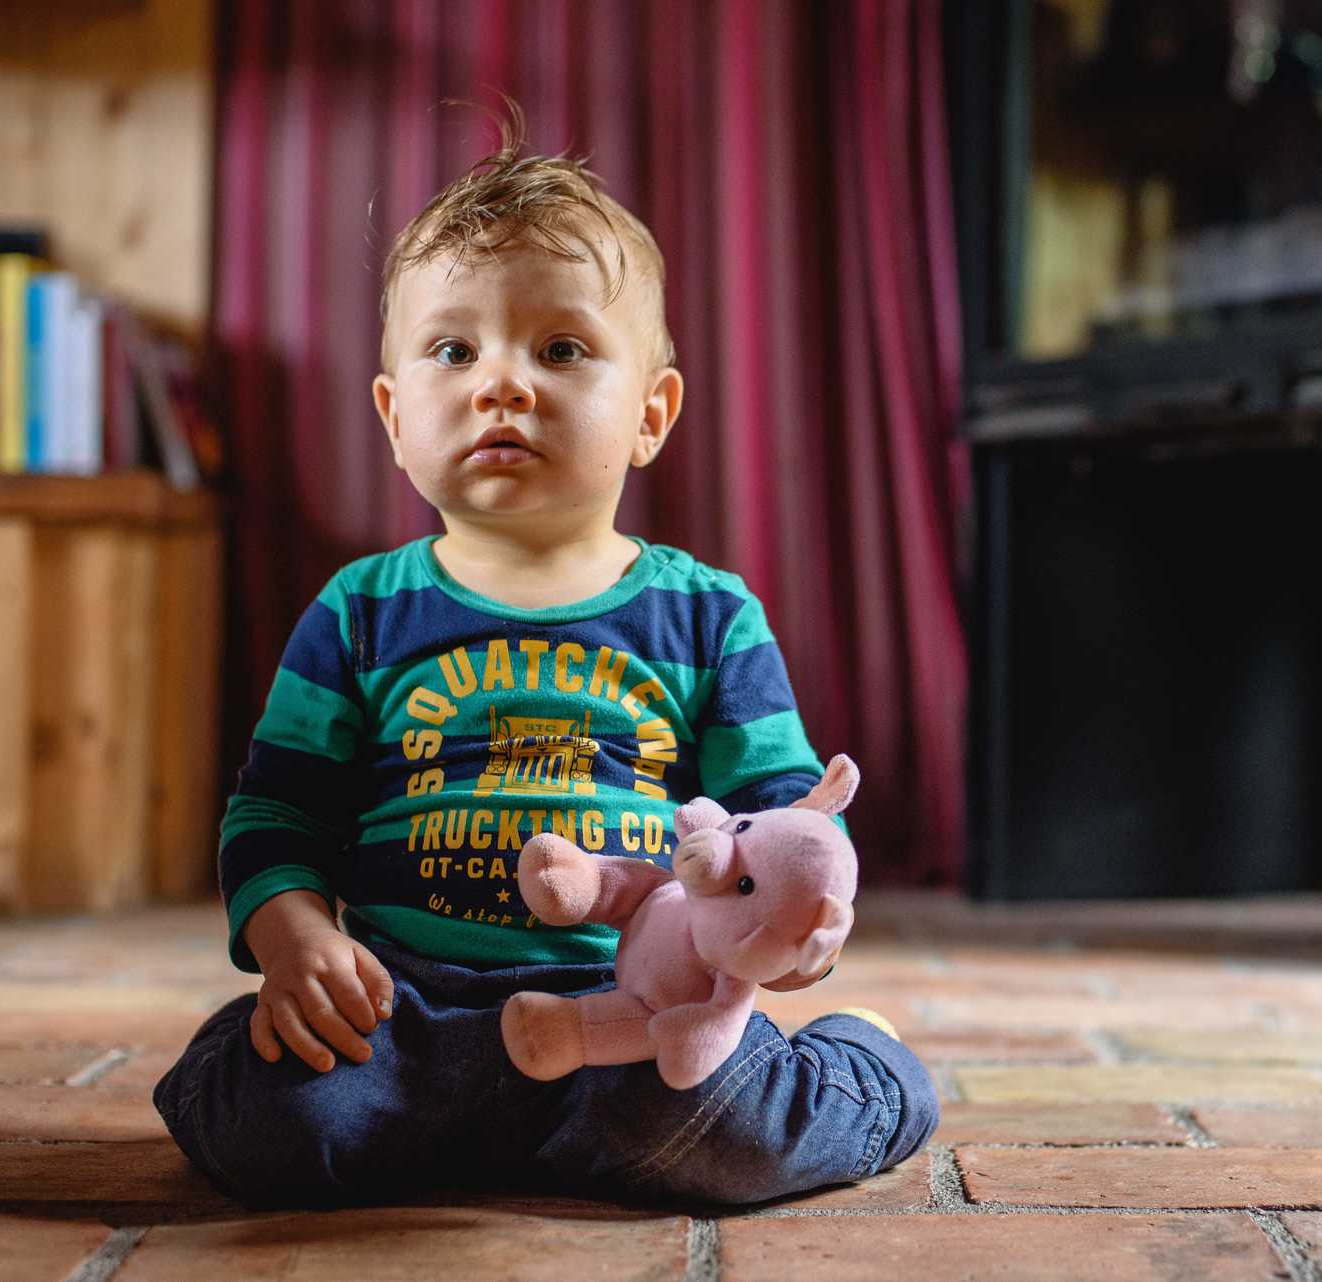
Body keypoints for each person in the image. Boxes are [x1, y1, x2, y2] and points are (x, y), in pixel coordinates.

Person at [153, 126, 938, 1207]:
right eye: (452, 350)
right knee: (276, 1122)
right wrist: (294, 940)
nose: (500, 385)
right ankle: (438, 1122)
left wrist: (809, 925)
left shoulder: (707, 615)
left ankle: (865, 1060)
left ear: (651, 413)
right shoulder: (361, 611)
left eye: (560, 350)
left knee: (731, 1136)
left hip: (633, 1008)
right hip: (405, 1017)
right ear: (392, 416)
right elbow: (276, 814)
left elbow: (782, 812)